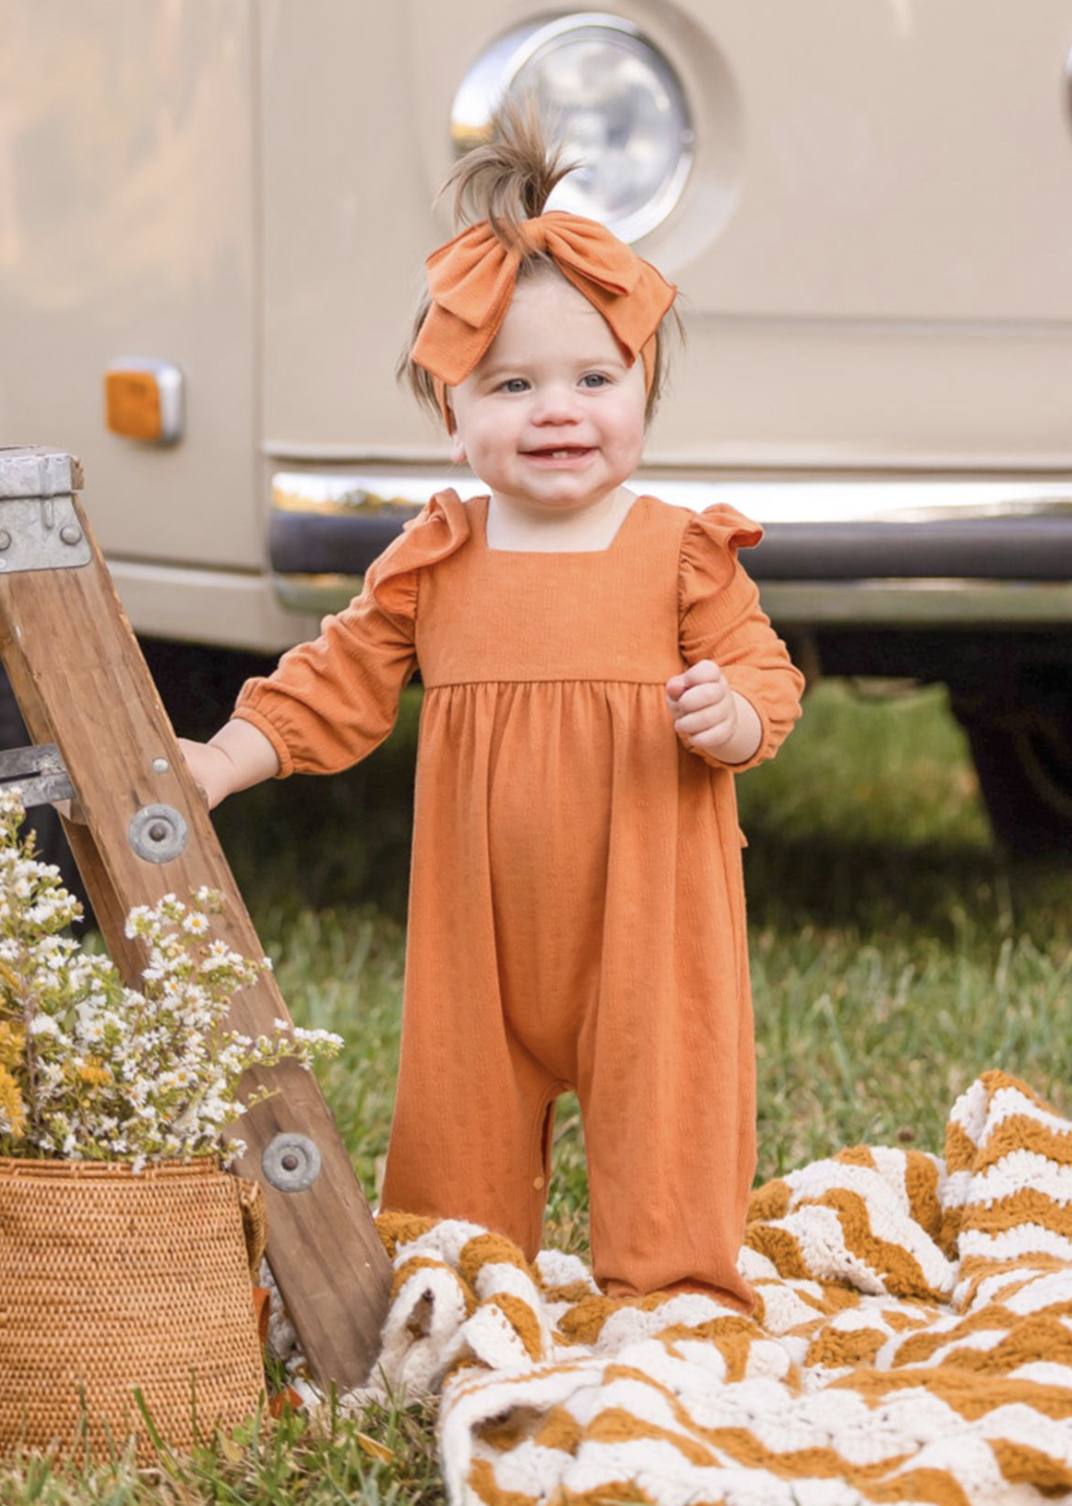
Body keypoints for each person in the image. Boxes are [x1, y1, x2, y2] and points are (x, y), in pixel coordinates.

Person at [180, 107, 805, 1310]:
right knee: (458, 1111)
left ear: (643, 390)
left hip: (651, 913)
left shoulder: (679, 553)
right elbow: (336, 679)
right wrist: (224, 757)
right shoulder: (437, 558)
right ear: (453, 412)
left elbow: (762, 671)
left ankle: (667, 1301)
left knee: (665, 1094)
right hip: (478, 923)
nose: (556, 409)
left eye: (594, 378)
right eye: (511, 383)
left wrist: (730, 716)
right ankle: (461, 1295)